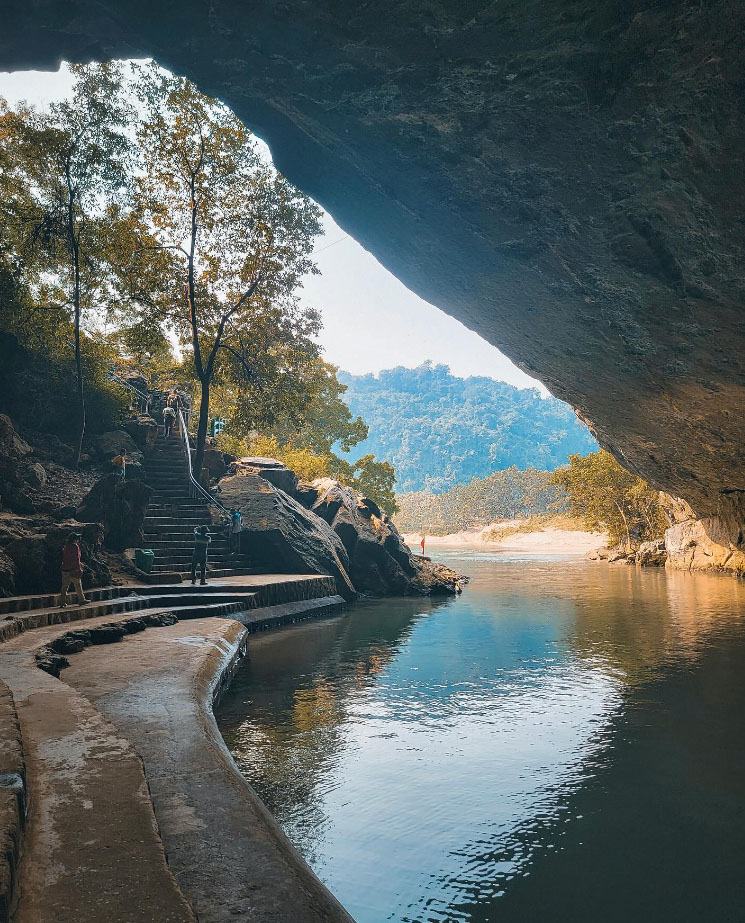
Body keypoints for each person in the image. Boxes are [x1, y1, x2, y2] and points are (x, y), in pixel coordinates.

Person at [58, 533, 89, 608]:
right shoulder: (75, 546)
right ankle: (81, 600)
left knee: (64, 586)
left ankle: (62, 602)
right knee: (78, 585)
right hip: (73, 569)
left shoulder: (66, 546)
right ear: (75, 539)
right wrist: (79, 568)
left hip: (65, 568)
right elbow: (76, 558)